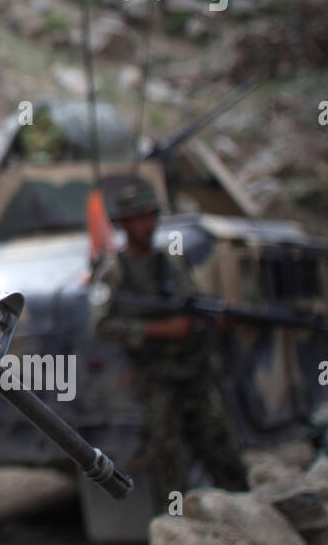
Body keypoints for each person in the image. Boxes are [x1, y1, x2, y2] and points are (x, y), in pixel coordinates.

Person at [88, 182, 249, 513]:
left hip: (195, 376)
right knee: (168, 468)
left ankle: (248, 522)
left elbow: (193, 306)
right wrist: (160, 330)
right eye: (138, 218)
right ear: (122, 224)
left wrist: (211, 319)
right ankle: (174, 538)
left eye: (150, 215)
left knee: (224, 455)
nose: (147, 224)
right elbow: (100, 326)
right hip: (157, 381)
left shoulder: (171, 263)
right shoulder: (114, 271)